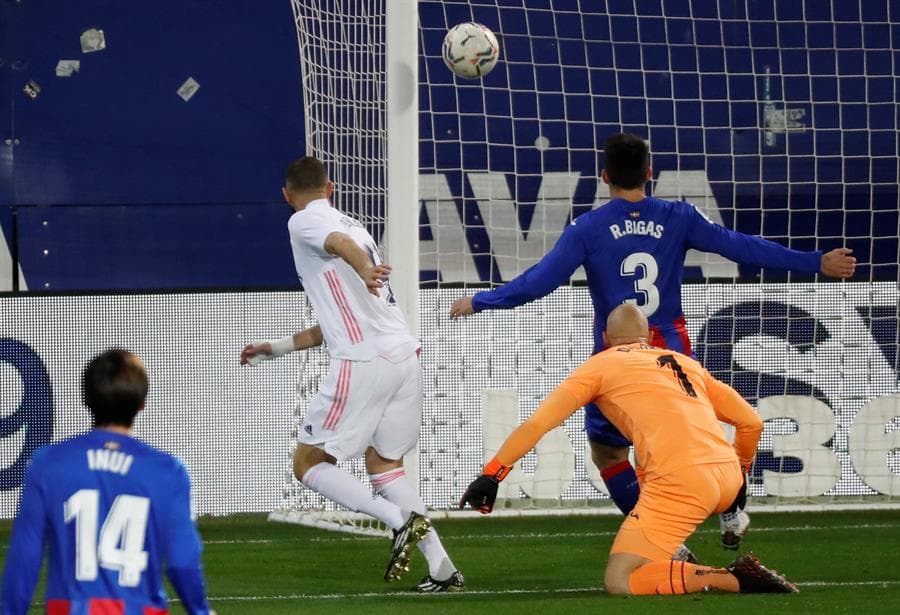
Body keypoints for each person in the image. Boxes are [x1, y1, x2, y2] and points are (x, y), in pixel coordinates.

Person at [450, 132, 856, 548]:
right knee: (698, 438)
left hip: (618, 361)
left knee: (610, 454)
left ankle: (665, 540)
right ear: (650, 173)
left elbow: (540, 282)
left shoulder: (588, 228)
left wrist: (482, 301)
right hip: (674, 354)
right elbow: (741, 247)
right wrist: (813, 262)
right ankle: (732, 510)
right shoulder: (679, 216)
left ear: (604, 176)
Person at [460, 303, 798, 595]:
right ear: (650, 337)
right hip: (724, 474)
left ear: (605, 340)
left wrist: (492, 475)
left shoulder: (599, 366)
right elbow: (751, 423)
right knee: (645, 471)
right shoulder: (685, 363)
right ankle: (721, 523)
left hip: (681, 482)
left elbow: (538, 424)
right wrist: (739, 474)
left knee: (621, 580)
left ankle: (732, 578)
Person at [241, 156, 462, 592]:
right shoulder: (360, 225)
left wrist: (363, 268)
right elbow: (342, 317)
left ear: (287, 196)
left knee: (308, 463)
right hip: (404, 356)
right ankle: (442, 569)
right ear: (332, 187)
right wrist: (278, 348)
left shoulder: (305, 222)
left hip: (364, 362)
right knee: (384, 465)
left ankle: (396, 519)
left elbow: (340, 243)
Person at [1, 349, 214, 614]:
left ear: (86, 398)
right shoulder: (167, 472)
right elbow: (182, 562)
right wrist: (200, 610)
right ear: (142, 403)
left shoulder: (49, 464)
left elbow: (25, 557)